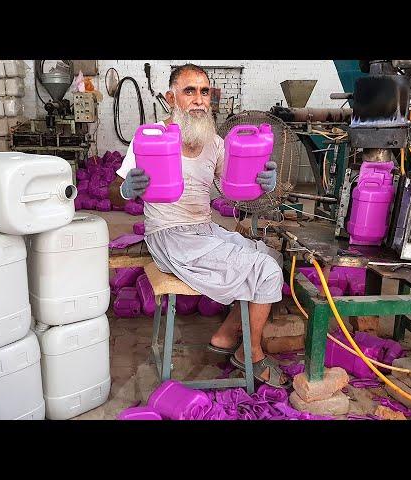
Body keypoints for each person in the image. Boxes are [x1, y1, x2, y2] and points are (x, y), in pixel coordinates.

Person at [110, 64, 288, 388]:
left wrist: (262, 181)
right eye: (189, 91)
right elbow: (115, 189)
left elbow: (232, 187)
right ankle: (254, 354)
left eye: (204, 92)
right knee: (267, 271)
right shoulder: (151, 139)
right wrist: (126, 189)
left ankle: (225, 336)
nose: (198, 99)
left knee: (273, 258)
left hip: (204, 230)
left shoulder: (215, 143)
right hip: (170, 236)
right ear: (171, 97)